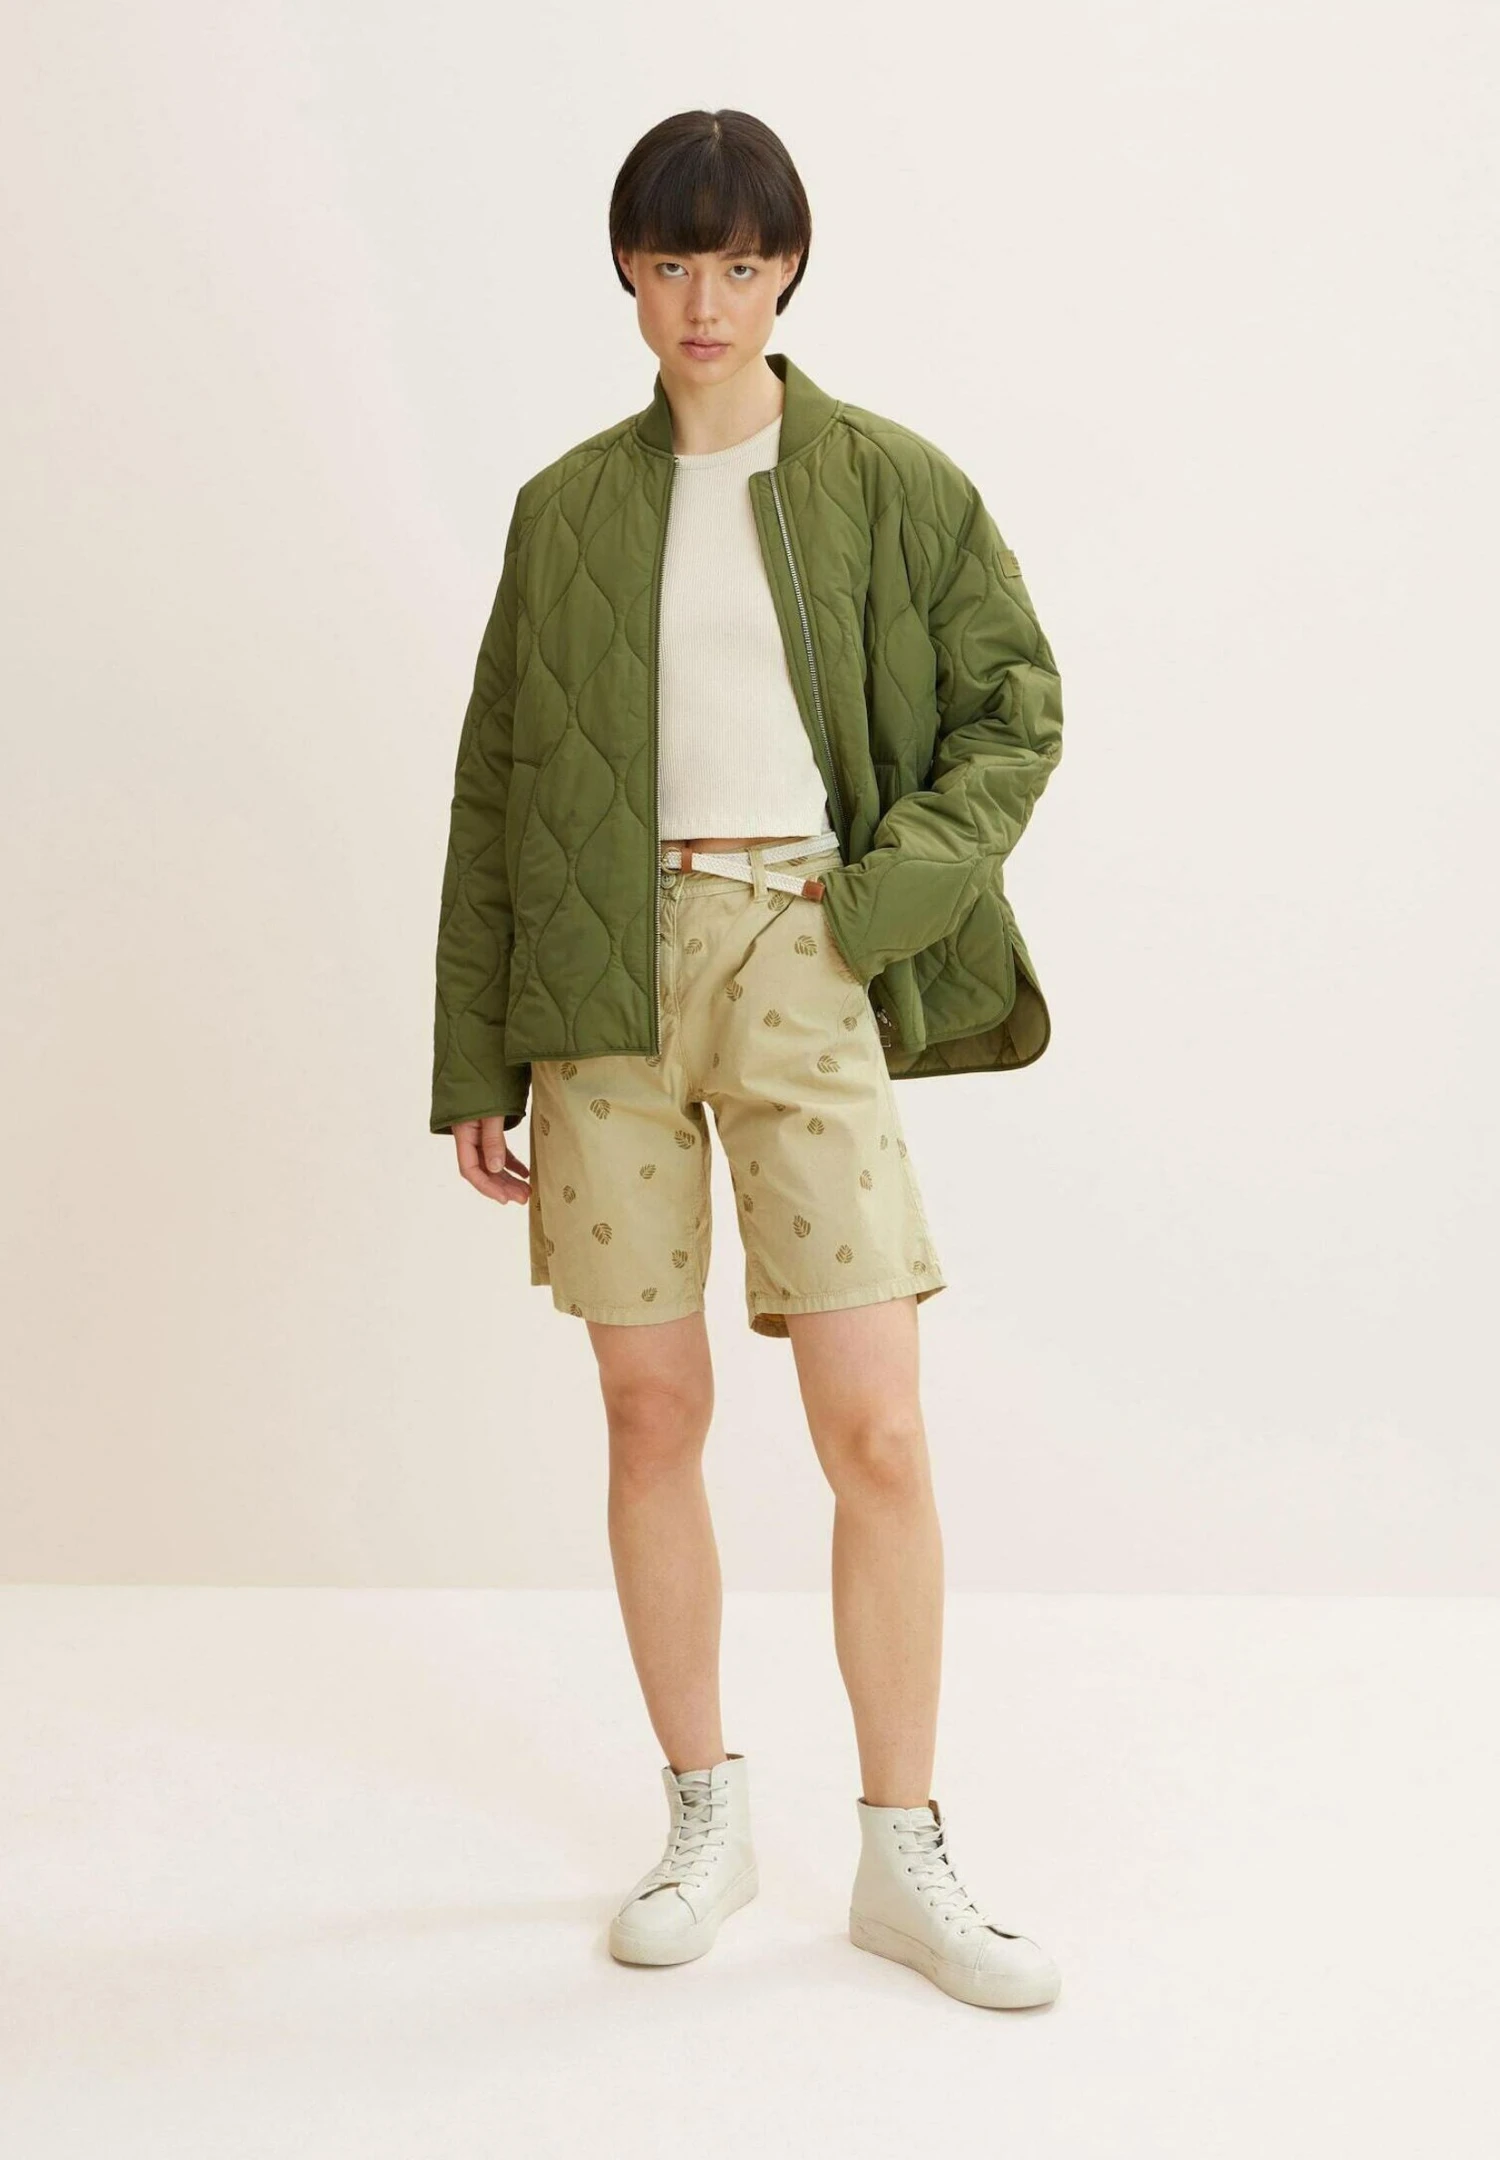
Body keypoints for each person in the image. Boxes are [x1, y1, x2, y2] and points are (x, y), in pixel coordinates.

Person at [430, 108, 1065, 2011]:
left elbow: (1016, 711)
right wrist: (474, 1055)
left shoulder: (889, 481)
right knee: (651, 1415)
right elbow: (496, 788)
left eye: (738, 262)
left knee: (877, 1427)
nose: (703, 300)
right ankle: (703, 1817)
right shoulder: (565, 509)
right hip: (598, 985)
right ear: (627, 275)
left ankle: (903, 1853)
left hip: (803, 949)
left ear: (787, 270)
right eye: (669, 263)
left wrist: (869, 915)